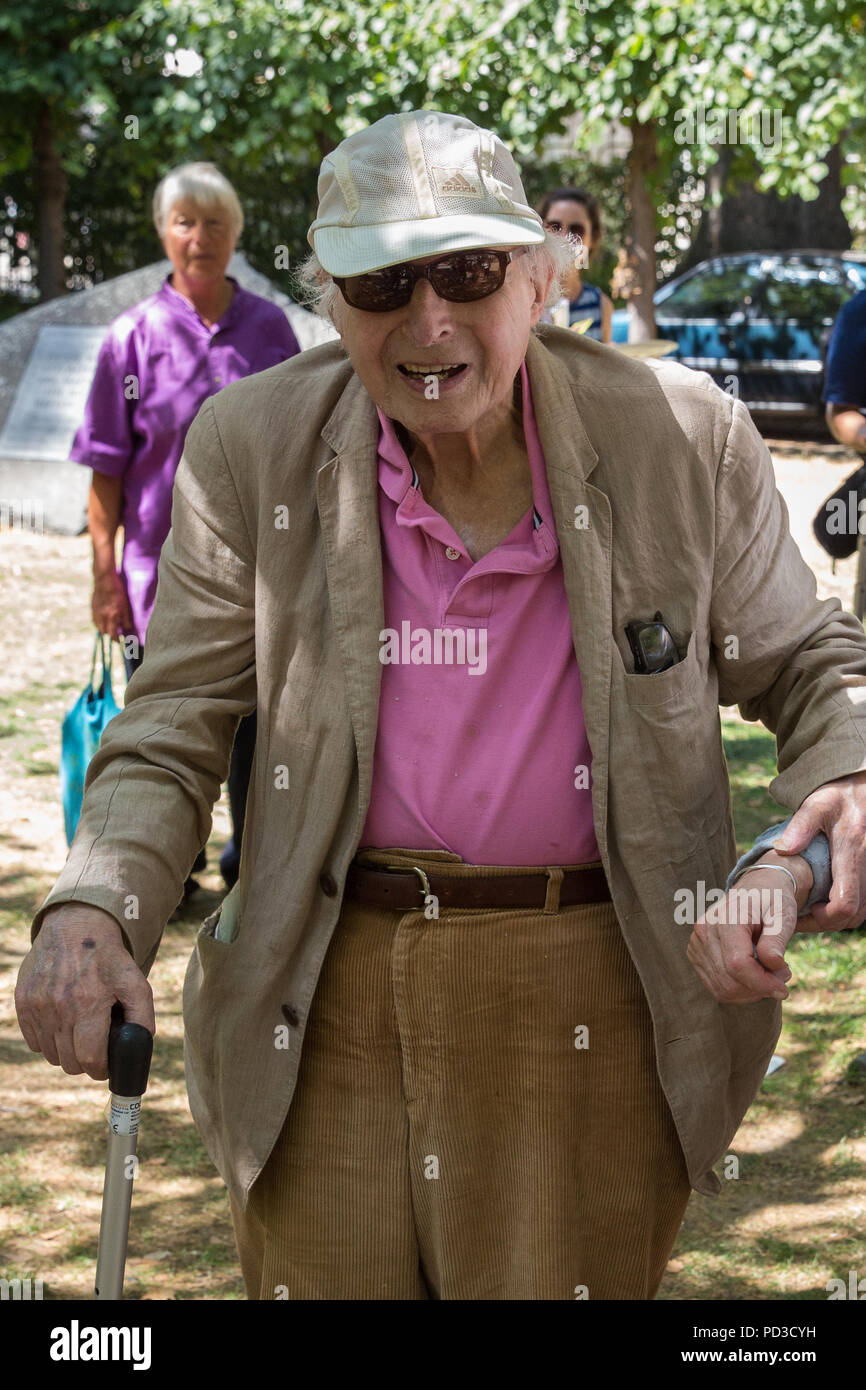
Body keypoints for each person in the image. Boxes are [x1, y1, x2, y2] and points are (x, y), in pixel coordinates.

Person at [16, 111, 866, 1302]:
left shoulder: (679, 434)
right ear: (328, 297)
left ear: (536, 277)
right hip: (318, 988)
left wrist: (844, 779)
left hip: (593, 989)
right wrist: (95, 901)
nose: (428, 323)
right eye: (380, 283)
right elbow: (176, 716)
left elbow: (806, 662)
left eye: (467, 274)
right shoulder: (250, 446)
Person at [72, 162, 301, 893]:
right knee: (168, 726)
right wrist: (104, 578)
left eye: (214, 224)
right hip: (156, 579)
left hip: (263, 571)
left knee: (260, 732)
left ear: (236, 235)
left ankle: (251, 868)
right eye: (184, 223)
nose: (199, 238)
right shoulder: (130, 339)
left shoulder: (269, 330)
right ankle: (171, 871)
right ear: (163, 234)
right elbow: (106, 472)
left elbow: (301, 447)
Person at [537, 185, 613, 340]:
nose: (565, 238)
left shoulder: (601, 305)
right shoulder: (527, 299)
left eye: (576, 230)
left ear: (593, 238)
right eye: (555, 227)